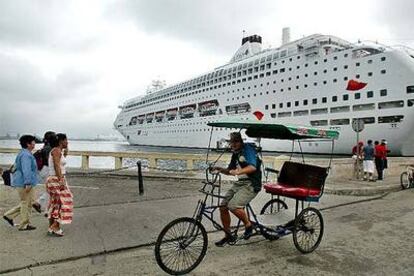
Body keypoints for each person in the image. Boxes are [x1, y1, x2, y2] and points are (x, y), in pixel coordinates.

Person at [211, 132, 262, 247]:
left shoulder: (248, 149)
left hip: (251, 184)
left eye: (235, 141)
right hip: (240, 183)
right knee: (223, 206)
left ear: (241, 141)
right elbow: (230, 171)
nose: (233, 144)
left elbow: (252, 167)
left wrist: (238, 172)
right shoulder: (235, 153)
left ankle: (249, 225)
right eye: (231, 142)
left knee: (233, 206)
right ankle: (228, 235)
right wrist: (219, 169)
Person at [3, 135, 39, 230]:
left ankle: (9, 216)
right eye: (33, 142)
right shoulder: (26, 155)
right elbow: (26, 169)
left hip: (22, 181)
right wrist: (27, 182)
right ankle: (24, 224)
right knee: (25, 203)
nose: (34, 143)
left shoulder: (24, 153)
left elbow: (16, 167)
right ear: (28, 144)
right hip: (24, 182)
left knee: (28, 202)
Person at [46, 133, 73, 237]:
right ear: (61, 141)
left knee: (55, 203)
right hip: (56, 179)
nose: (67, 142)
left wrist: (65, 152)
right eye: (66, 140)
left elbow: (59, 164)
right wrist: (61, 180)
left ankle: (51, 227)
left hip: (54, 178)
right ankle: (55, 226)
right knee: (65, 202)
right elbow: (57, 166)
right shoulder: (56, 151)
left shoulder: (57, 151)